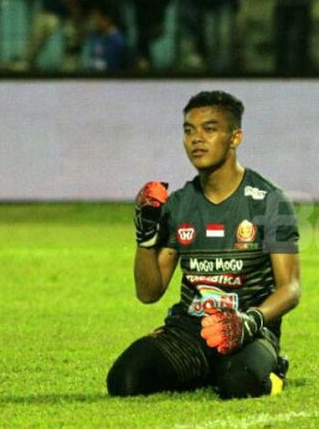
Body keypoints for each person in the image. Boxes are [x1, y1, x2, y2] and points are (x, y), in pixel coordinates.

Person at [107, 91, 302, 399]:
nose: (196, 139)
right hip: (189, 330)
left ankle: (273, 368)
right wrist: (145, 238)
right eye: (189, 130)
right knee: (125, 381)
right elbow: (148, 292)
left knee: (239, 384)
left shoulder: (269, 201)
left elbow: (290, 289)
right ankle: (204, 368)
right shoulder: (179, 205)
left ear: (235, 137)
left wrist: (250, 322)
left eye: (209, 129)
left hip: (248, 332)